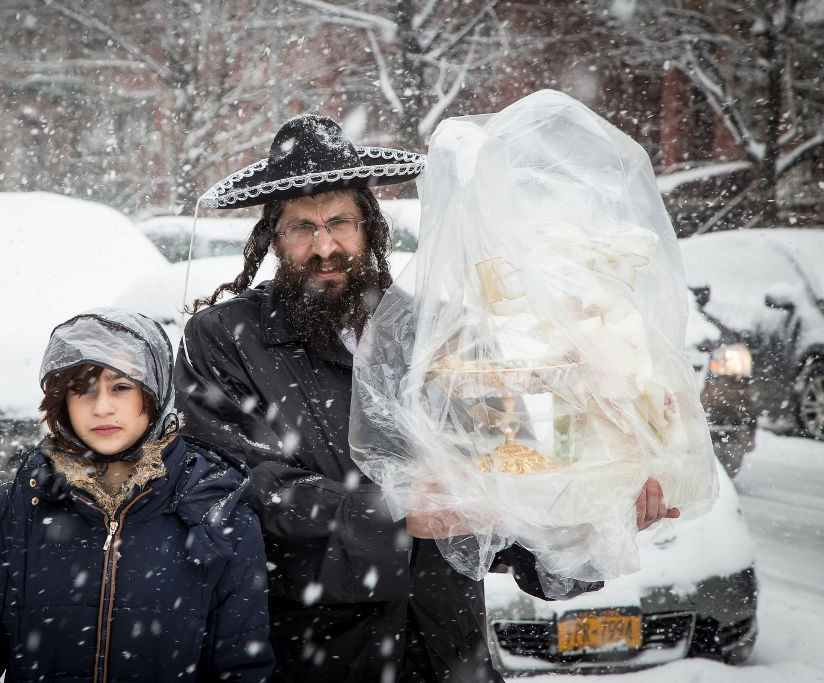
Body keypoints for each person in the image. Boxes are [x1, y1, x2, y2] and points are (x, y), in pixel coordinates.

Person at [173, 116, 678, 682]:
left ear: (369, 226)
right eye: (301, 228)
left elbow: (510, 474)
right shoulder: (225, 338)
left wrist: (591, 521)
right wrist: (392, 512)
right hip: (312, 650)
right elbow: (233, 485)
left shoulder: (439, 333)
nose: (325, 246)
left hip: (445, 646)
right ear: (272, 236)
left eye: (340, 222)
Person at [0, 308, 273, 683]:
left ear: (156, 390)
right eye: (82, 388)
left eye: (121, 386)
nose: (101, 407)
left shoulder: (217, 511)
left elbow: (242, 668)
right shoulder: (13, 508)